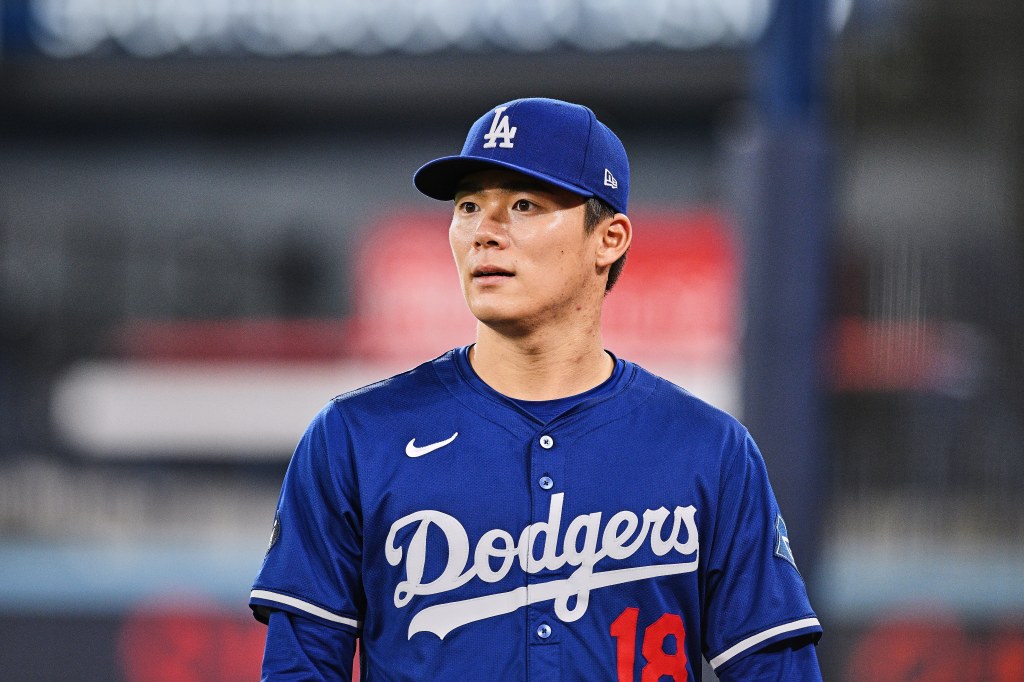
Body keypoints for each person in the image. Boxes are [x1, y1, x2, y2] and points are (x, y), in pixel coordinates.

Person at [249, 97, 823, 680]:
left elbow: (776, 670)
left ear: (610, 238)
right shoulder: (357, 436)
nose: (484, 233)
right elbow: (301, 668)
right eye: (469, 205)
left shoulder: (709, 450)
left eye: (524, 204)